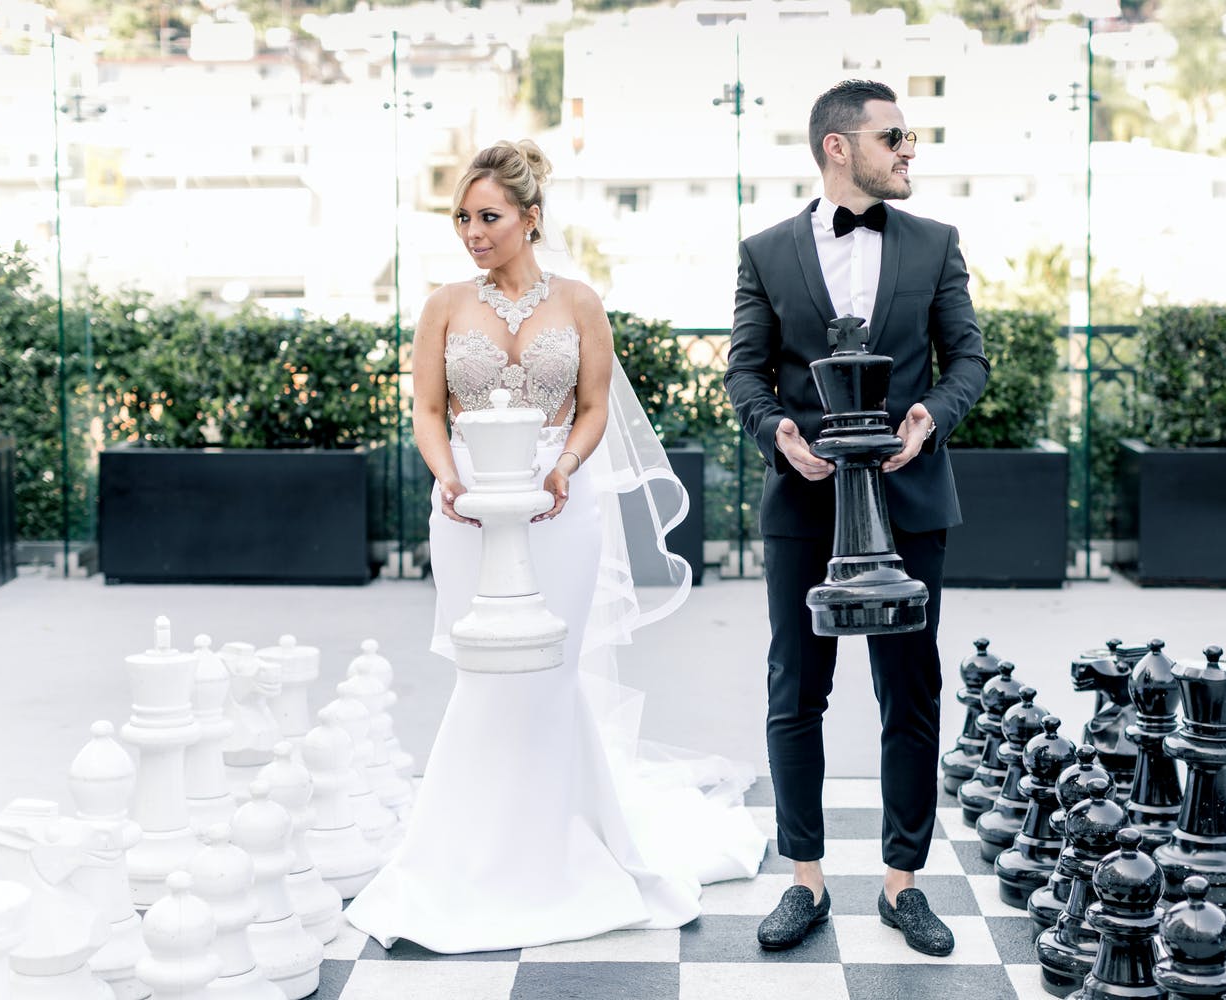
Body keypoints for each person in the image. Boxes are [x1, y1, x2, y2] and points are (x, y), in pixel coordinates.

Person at [344, 140, 765, 953]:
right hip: (467, 506)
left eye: (489, 217)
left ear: (530, 219)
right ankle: (467, 849)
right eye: (462, 217)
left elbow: (594, 406)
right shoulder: (441, 307)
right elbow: (428, 410)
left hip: (562, 504)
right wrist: (447, 479)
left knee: (551, 665)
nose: (472, 231)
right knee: (484, 665)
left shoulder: (578, 302)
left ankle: (561, 840)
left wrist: (566, 467)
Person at [724, 80, 990, 956]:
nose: (910, 149)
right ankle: (805, 884)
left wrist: (931, 418)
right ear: (839, 146)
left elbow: (969, 363)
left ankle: (903, 885)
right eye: (895, 136)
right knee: (796, 691)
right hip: (803, 501)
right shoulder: (764, 251)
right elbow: (745, 374)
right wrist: (778, 433)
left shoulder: (937, 242)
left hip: (910, 500)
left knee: (909, 691)